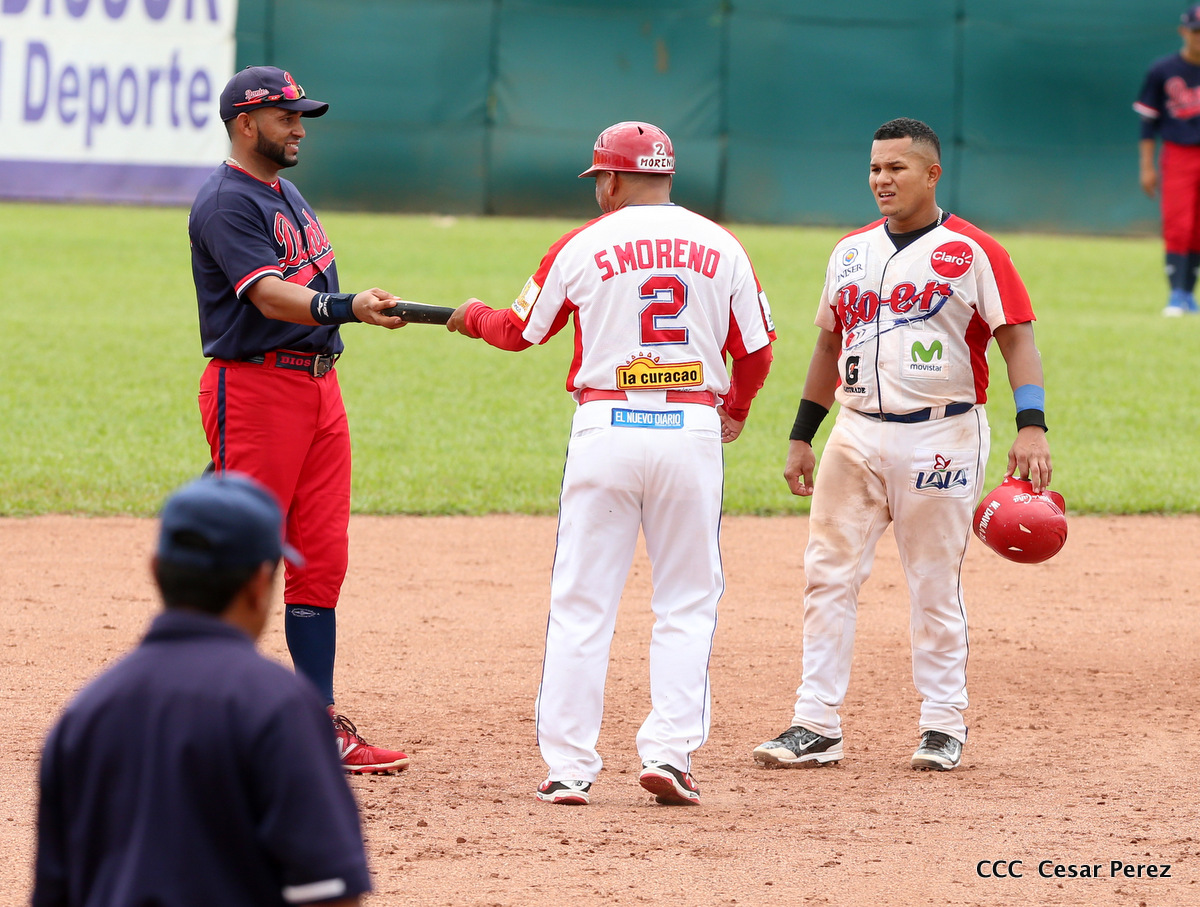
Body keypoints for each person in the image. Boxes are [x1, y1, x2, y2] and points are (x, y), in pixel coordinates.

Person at [446, 121, 775, 806]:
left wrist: (469, 313)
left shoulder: (583, 243)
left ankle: (569, 767)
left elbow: (517, 331)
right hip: (690, 427)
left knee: (581, 602)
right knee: (687, 600)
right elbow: (757, 349)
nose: (599, 189)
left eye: (599, 178)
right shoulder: (722, 244)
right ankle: (670, 756)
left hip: (607, 425)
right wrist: (738, 409)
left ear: (615, 179)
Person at [753, 117, 1052, 773]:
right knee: (826, 574)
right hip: (855, 430)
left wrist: (1032, 424)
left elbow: (1017, 337)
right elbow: (829, 345)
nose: (881, 180)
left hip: (943, 433)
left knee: (933, 583)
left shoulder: (974, 251)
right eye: (874, 168)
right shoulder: (849, 252)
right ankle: (815, 723)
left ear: (932, 173)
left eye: (896, 168)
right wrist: (802, 434)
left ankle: (943, 723)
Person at [189, 65, 408, 773]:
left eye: (300, 116)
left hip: (318, 391)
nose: (299, 128)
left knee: (319, 557)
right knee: (241, 554)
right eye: (286, 117)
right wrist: (347, 308)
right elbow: (268, 295)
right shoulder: (226, 201)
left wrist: (353, 309)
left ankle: (316, 722)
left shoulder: (284, 192)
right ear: (245, 123)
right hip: (255, 390)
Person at [33, 473, 371, 907]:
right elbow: (329, 892)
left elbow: (55, 892)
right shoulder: (280, 704)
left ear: (155, 570)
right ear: (259, 583)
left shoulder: (84, 713)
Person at [1135, 3, 1200, 316]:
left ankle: (1188, 294)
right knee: (1178, 223)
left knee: (1197, 227)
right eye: (1196, 31)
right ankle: (1176, 294)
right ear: (1183, 31)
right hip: (1178, 152)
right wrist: (1146, 166)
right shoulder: (1163, 69)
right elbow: (1147, 122)